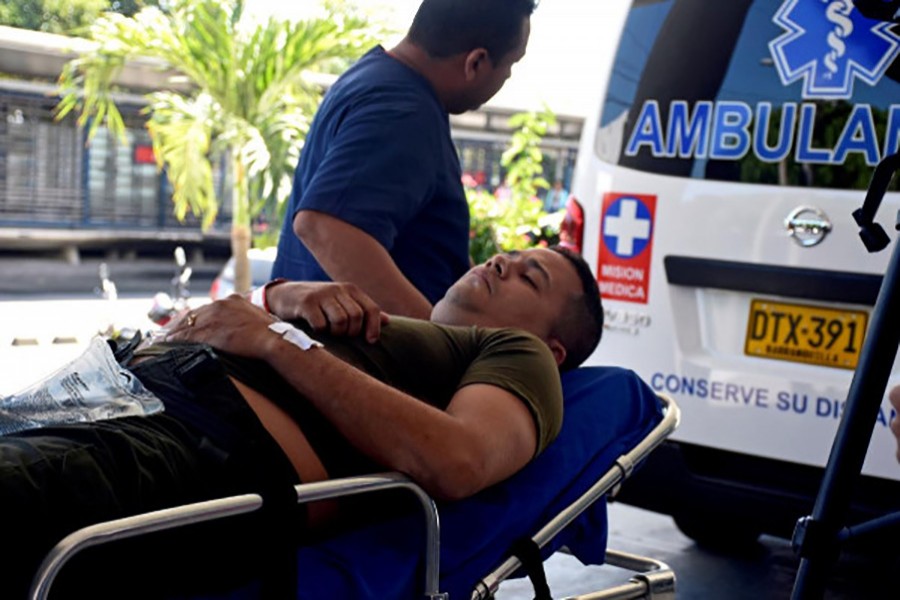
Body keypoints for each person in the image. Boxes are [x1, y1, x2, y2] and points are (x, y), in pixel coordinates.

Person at [3, 246, 602, 597]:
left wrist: (275, 341)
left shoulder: (517, 355)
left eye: (531, 276)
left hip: (183, 436)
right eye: (511, 255)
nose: (504, 262)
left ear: (552, 348)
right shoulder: (402, 333)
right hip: (109, 397)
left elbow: (456, 459)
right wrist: (281, 299)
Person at [271, 0, 536, 320]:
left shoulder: (374, 78)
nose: (507, 76)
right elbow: (324, 226)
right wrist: (438, 343)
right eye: (511, 65)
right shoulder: (405, 110)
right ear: (476, 62)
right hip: (351, 355)